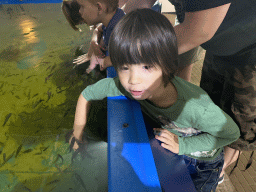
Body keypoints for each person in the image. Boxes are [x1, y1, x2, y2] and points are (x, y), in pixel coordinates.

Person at [70, 9, 240, 191]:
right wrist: (77, 134)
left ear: (167, 66)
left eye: (147, 66)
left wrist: (183, 145)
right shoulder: (126, 85)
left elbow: (231, 134)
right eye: (124, 67)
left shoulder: (194, 107)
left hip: (204, 164)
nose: (133, 80)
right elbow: (87, 94)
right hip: (176, 150)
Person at [119, 0, 256, 183]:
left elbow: (198, 31)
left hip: (250, 51)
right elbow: (139, 2)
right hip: (219, 44)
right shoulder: (198, 106)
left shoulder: (195, 106)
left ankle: (217, 172)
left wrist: (184, 145)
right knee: (214, 105)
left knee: (238, 125)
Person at [63, 0, 125, 73]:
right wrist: (93, 40)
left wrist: (104, 61)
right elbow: (98, 29)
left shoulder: (117, 32)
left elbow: (127, 56)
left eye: (82, 7)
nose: (79, 11)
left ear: (99, 8)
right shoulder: (114, 16)